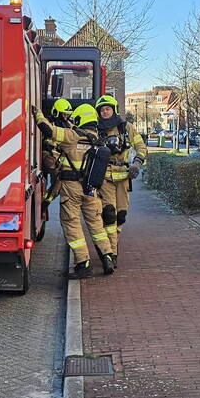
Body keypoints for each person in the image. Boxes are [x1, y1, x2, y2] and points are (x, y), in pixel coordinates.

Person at [33, 102, 116, 278]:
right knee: (96, 225)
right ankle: (107, 257)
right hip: (91, 190)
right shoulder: (98, 140)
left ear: (79, 119)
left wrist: (38, 114)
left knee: (72, 224)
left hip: (71, 189)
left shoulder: (72, 136)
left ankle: (83, 263)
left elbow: (50, 131)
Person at [94, 94, 147, 267]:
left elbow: (141, 147)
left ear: (114, 110)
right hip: (105, 176)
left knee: (121, 216)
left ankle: (112, 245)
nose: (105, 112)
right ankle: (112, 255)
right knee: (109, 214)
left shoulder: (127, 128)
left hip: (124, 176)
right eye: (102, 110)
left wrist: (137, 164)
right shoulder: (95, 129)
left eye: (108, 109)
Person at [41, 98, 74, 204]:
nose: (66, 117)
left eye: (67, 114)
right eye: (63, 114)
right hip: (47, 154)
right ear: (56, 112)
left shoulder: (68, 125)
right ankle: (46, 200)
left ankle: (46, 199)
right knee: (59, 176)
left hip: (60, 157)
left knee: (61, 179)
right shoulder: (49, 123)